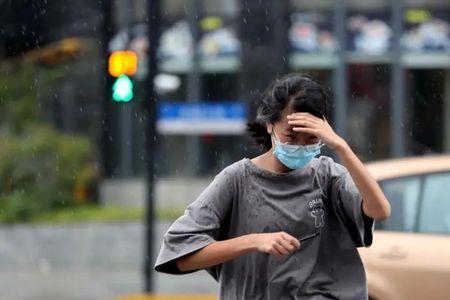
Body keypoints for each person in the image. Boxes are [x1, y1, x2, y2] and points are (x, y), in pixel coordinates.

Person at [154, 73, 391, 299]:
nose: (300, 146)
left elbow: (379, 210)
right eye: (291, 136)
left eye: (311, 138)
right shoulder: (237, 179)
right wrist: (254, 241)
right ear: (269, 126)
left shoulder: (327, 175)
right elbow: (180, 254)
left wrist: (341, 146)